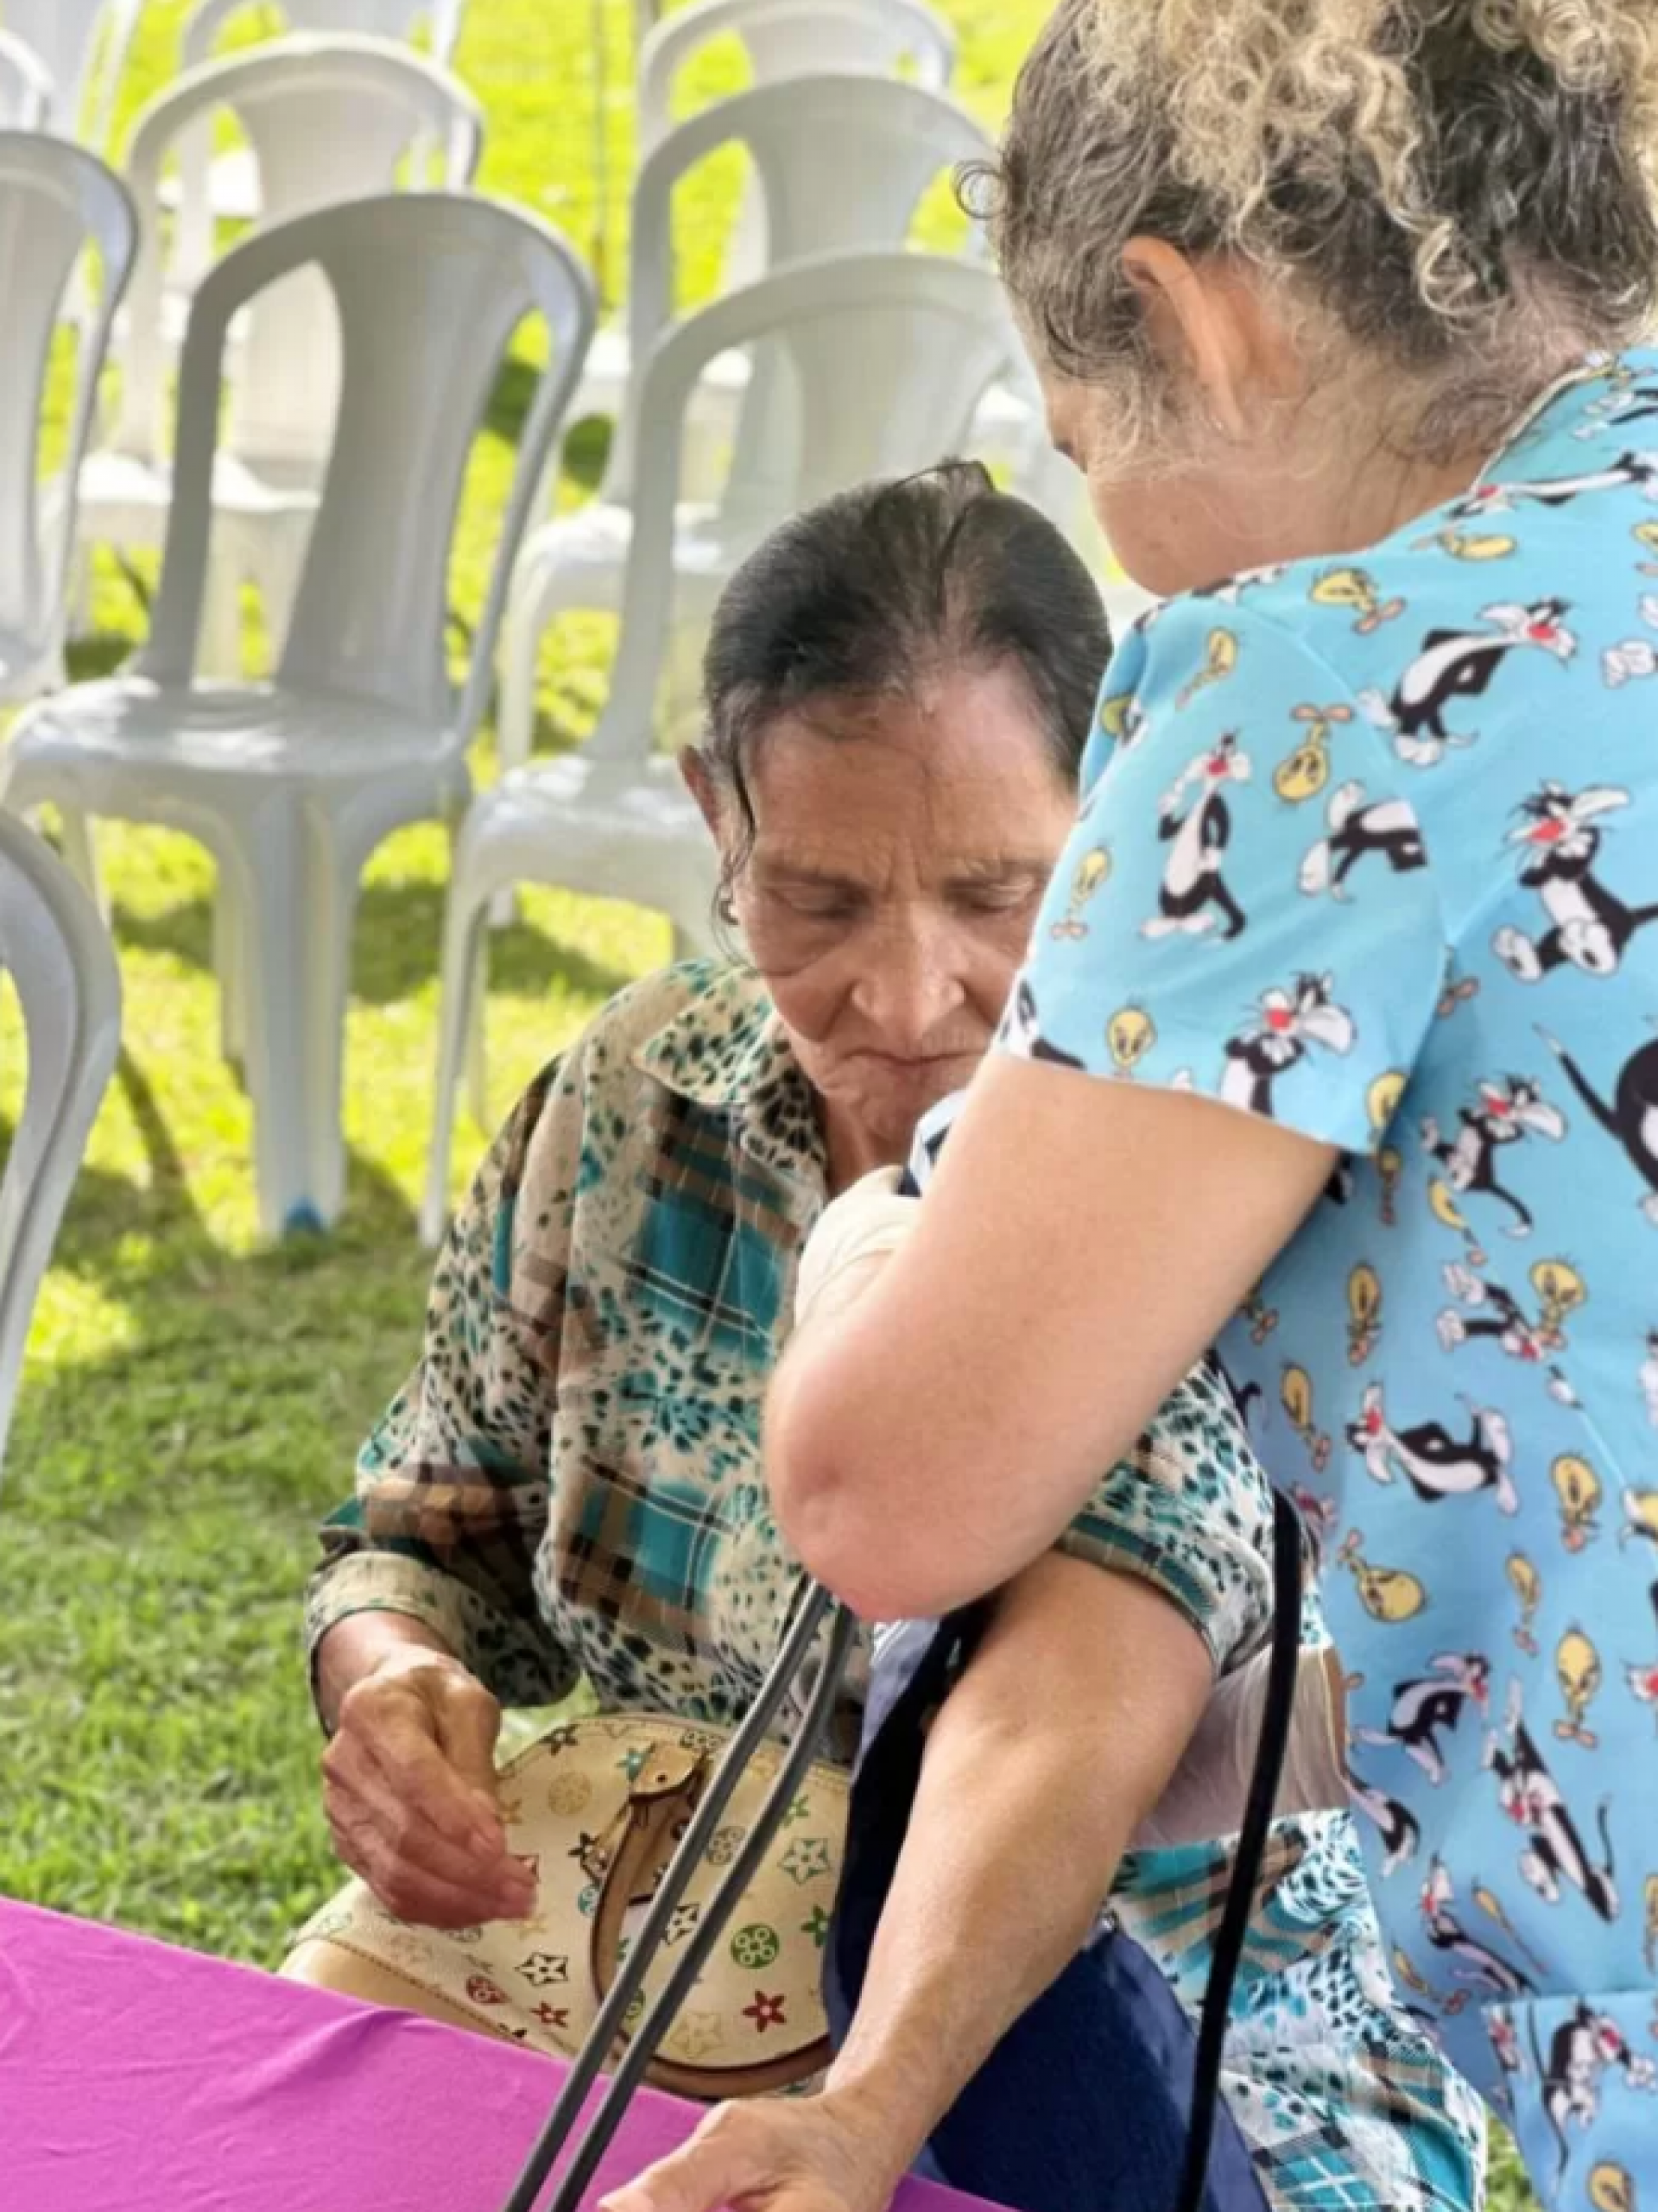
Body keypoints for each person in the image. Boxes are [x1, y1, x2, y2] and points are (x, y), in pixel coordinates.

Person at [291, 467, 1478, 2212]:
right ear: (718, 817)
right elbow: (421, 1534)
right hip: (638, 1910)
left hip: (1118, 1980)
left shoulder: (1203, 1152)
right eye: (820, 902)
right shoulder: (624, 1102)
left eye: (1001, 896)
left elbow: (1069, 1701)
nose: (910, 999)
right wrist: (391, 1681)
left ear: (1119, 814)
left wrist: (862, 2109)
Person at [763, 8, 1658, 2207]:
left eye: (1082, 433)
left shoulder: (1324, 681)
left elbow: (891, 1487)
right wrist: (1271, 1740)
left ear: (1187, 312)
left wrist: (870, 1244)